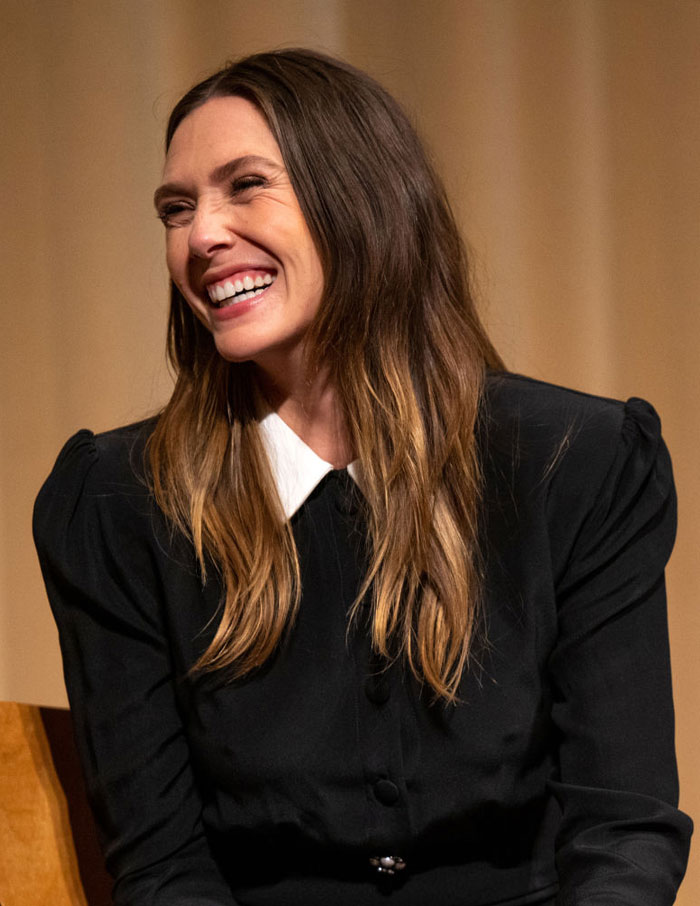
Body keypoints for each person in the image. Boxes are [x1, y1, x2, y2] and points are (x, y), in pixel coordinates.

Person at [33, 48, 692, 906]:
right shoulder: (120, 503)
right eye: (176, 207)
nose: (201, 235)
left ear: (361, 203)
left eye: (246, 185)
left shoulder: (576, 463)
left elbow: (624, 833)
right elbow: (161, 869)